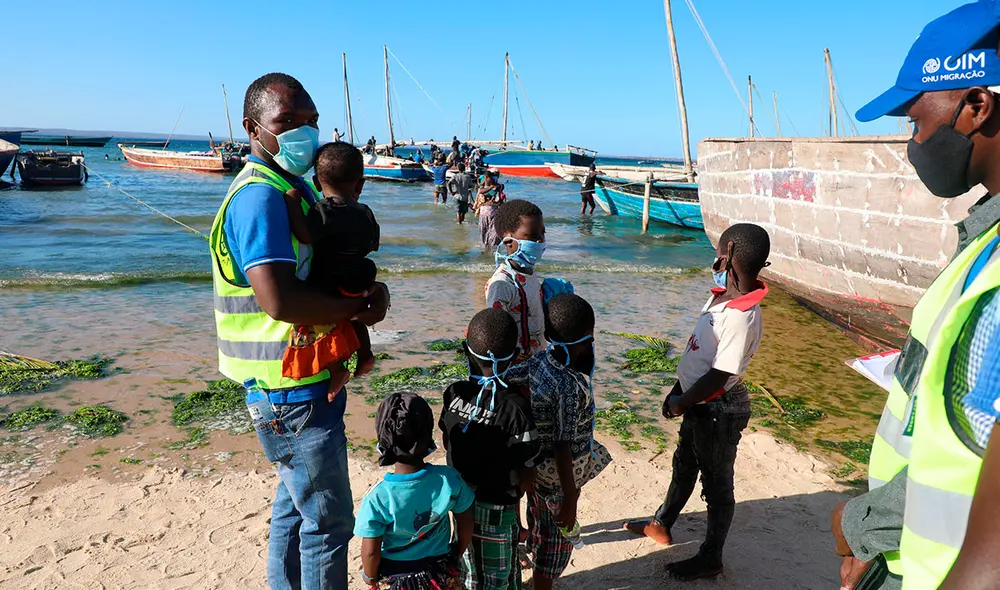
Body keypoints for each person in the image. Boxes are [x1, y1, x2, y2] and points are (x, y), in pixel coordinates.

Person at [827, 5, 1000, 590]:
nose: (912, 141)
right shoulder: (984, 240)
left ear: (976, 106)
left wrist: (862, 523)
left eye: (913, 120)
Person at [209, 73, 390, 590]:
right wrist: (356, 314)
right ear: (252, 128)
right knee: (330, 524)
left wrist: (363, 300)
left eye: (309, 121)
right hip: (287, 391)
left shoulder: (293, 188)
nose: (303, 133)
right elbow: (280, 300)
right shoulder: (259, 198)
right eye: (287, 122)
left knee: (294, 510)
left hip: (302, 382)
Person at [626, 223, 771, 582]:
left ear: (729, 252)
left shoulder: (741, 315)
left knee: (718, 484)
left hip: (719, 409)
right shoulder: (723, 296)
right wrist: (677, 390)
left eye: (719, 249)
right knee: (684, 464)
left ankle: (711, 557)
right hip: (698, 402)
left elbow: (719, 375)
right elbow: (699, 356)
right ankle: (662, 524)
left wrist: (681, 402)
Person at [505, 293, 613, 590]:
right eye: (589, 340)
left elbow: (505, 376)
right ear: (583, 341)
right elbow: (562, 445)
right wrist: (571, 498)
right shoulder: (568, 385)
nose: (590, 345)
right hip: (559, 482)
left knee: (540, 520)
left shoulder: (540, 360)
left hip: (538, 472)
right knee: (553, 550)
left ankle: (535, 543)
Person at [439, 308, 539, 590]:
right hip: (498, 508)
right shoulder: (516, 407)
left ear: (466, 350)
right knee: (499, 573)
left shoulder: (454, 393)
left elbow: (448, 439)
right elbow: (527, 467)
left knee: (468, 566)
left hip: (460, 503)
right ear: (516, 355)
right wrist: (519, 489)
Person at [281, 141, 379, 398]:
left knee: (317, 320)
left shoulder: (323, 210)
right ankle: (365, 355)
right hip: (359, 274)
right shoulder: (366, 212)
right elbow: (373, 243)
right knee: (355, 313)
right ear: (360, 184)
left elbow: (304, 235)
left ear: (315, 182)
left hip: (328, 278)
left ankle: (337, 368)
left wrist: (293, 203)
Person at [355, 392, 475, 589]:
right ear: (428, 435)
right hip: (440, 570)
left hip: (396, 576)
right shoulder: (447, 479)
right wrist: (457, 552)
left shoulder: (378, 496)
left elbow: (370, 551)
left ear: (383, 440)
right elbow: (466, 520)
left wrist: (370, 578)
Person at [486, 199, 547, 362]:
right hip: (517, 364)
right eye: (532, 236)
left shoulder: (529, 272)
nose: (540, 240)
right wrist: (510, 354)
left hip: (538, 357)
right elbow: (494, 329)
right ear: (508, 240)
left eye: (543, 233)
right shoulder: (502, 283)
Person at [473, 171, 503, 249]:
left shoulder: (498, 186)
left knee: (492, 233)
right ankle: (486, 248)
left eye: (486, 178)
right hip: (484, 212)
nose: (485, 180)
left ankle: (490, 248)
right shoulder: (484, 187)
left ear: (489, 178)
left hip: (493, 212)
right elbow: (480, 191)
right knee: (484, 232)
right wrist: (489, 186)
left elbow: (500, 198)